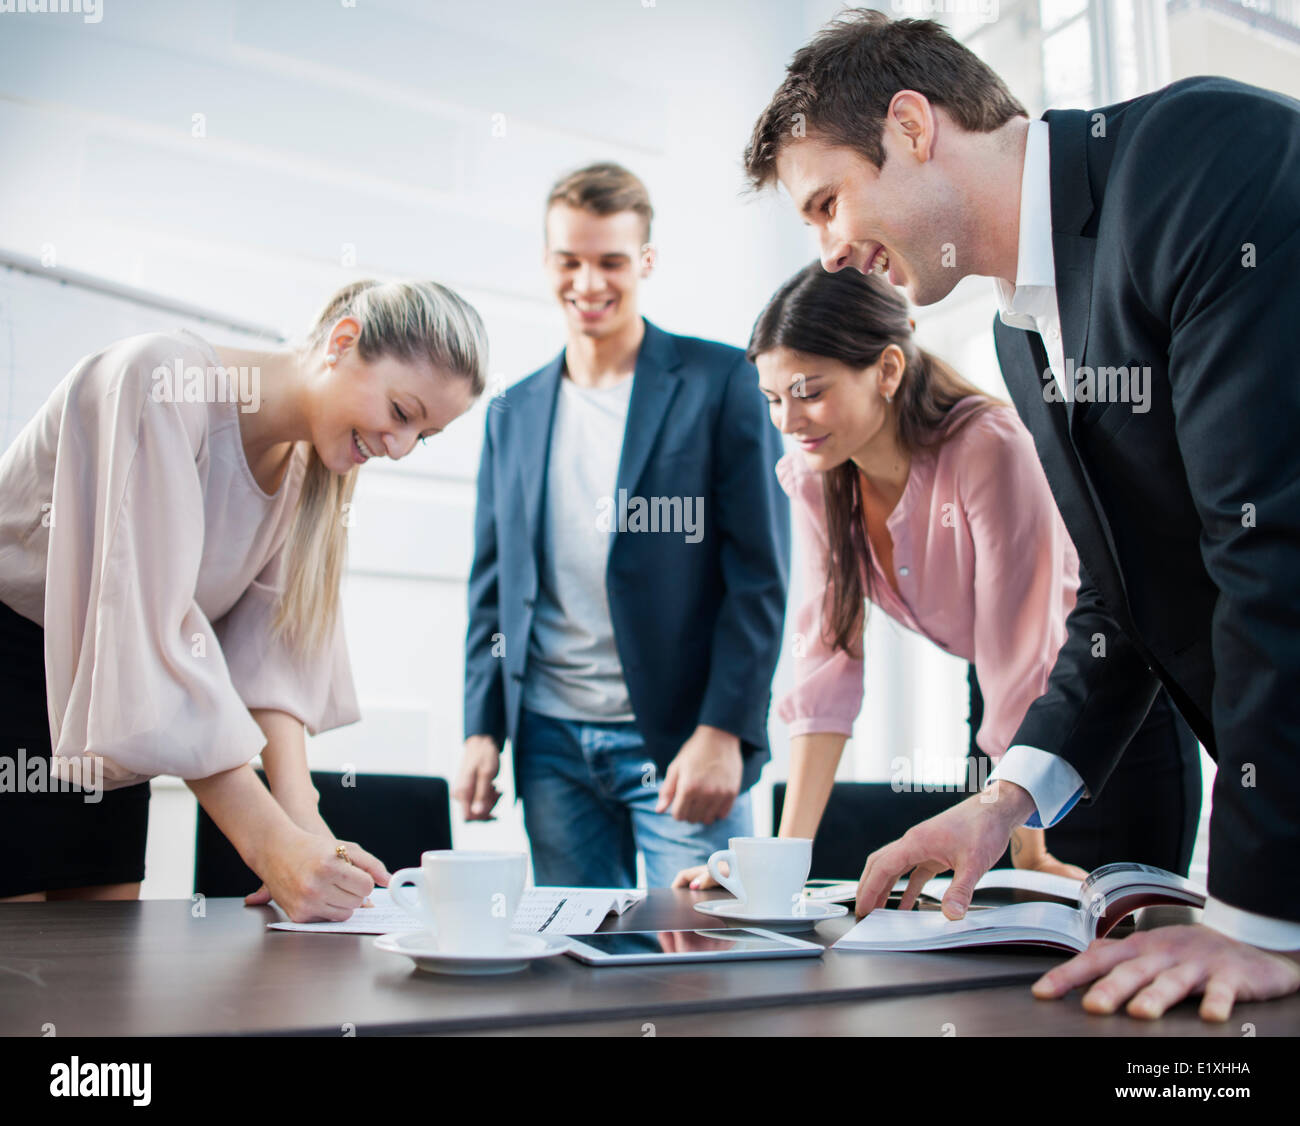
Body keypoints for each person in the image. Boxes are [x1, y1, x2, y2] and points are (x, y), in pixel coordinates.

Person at [742, 8, 1300, 1020]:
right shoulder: (1020, 332)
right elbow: (1121, 608)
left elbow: (1278, 550)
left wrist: (1256, 913)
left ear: (912, 127)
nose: (826, 254)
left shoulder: (1194, 158)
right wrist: (1002, 804)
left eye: (827, 202)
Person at [672, 263, 1199, 892]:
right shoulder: (819, 477)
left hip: (1103, 720)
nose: (787, 420)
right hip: (1005, 728)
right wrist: (780, 869)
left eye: (809, 391)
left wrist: (1029, 851)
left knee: (1104, 940)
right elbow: (826, 668)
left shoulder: (988, 447)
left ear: (888, 370)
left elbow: (1020, 654)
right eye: (773, 399)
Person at [0, 279, 488, 922]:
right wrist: (271, 846)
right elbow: (142, 637)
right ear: (343, 342)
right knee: (23, 970)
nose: (397, 447)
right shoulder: (161, 381)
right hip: (18, 673)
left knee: (99, 968)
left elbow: (268, 665)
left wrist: (308, 831)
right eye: (401, 412)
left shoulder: (306, 469)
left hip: (112, 721)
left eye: (422, 436)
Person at [456, 162, 789, 888]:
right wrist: (482, 727)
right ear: (547, 263)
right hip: (548, 744)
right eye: (569, 261)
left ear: (646, 260)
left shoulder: (723, 381)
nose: (588, 282)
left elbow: (759, 578)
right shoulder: (511, 413)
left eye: (610, 261)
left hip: (680, 739)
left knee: (707, 959)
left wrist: (725, 729)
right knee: (579, 967)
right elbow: (493, 585)